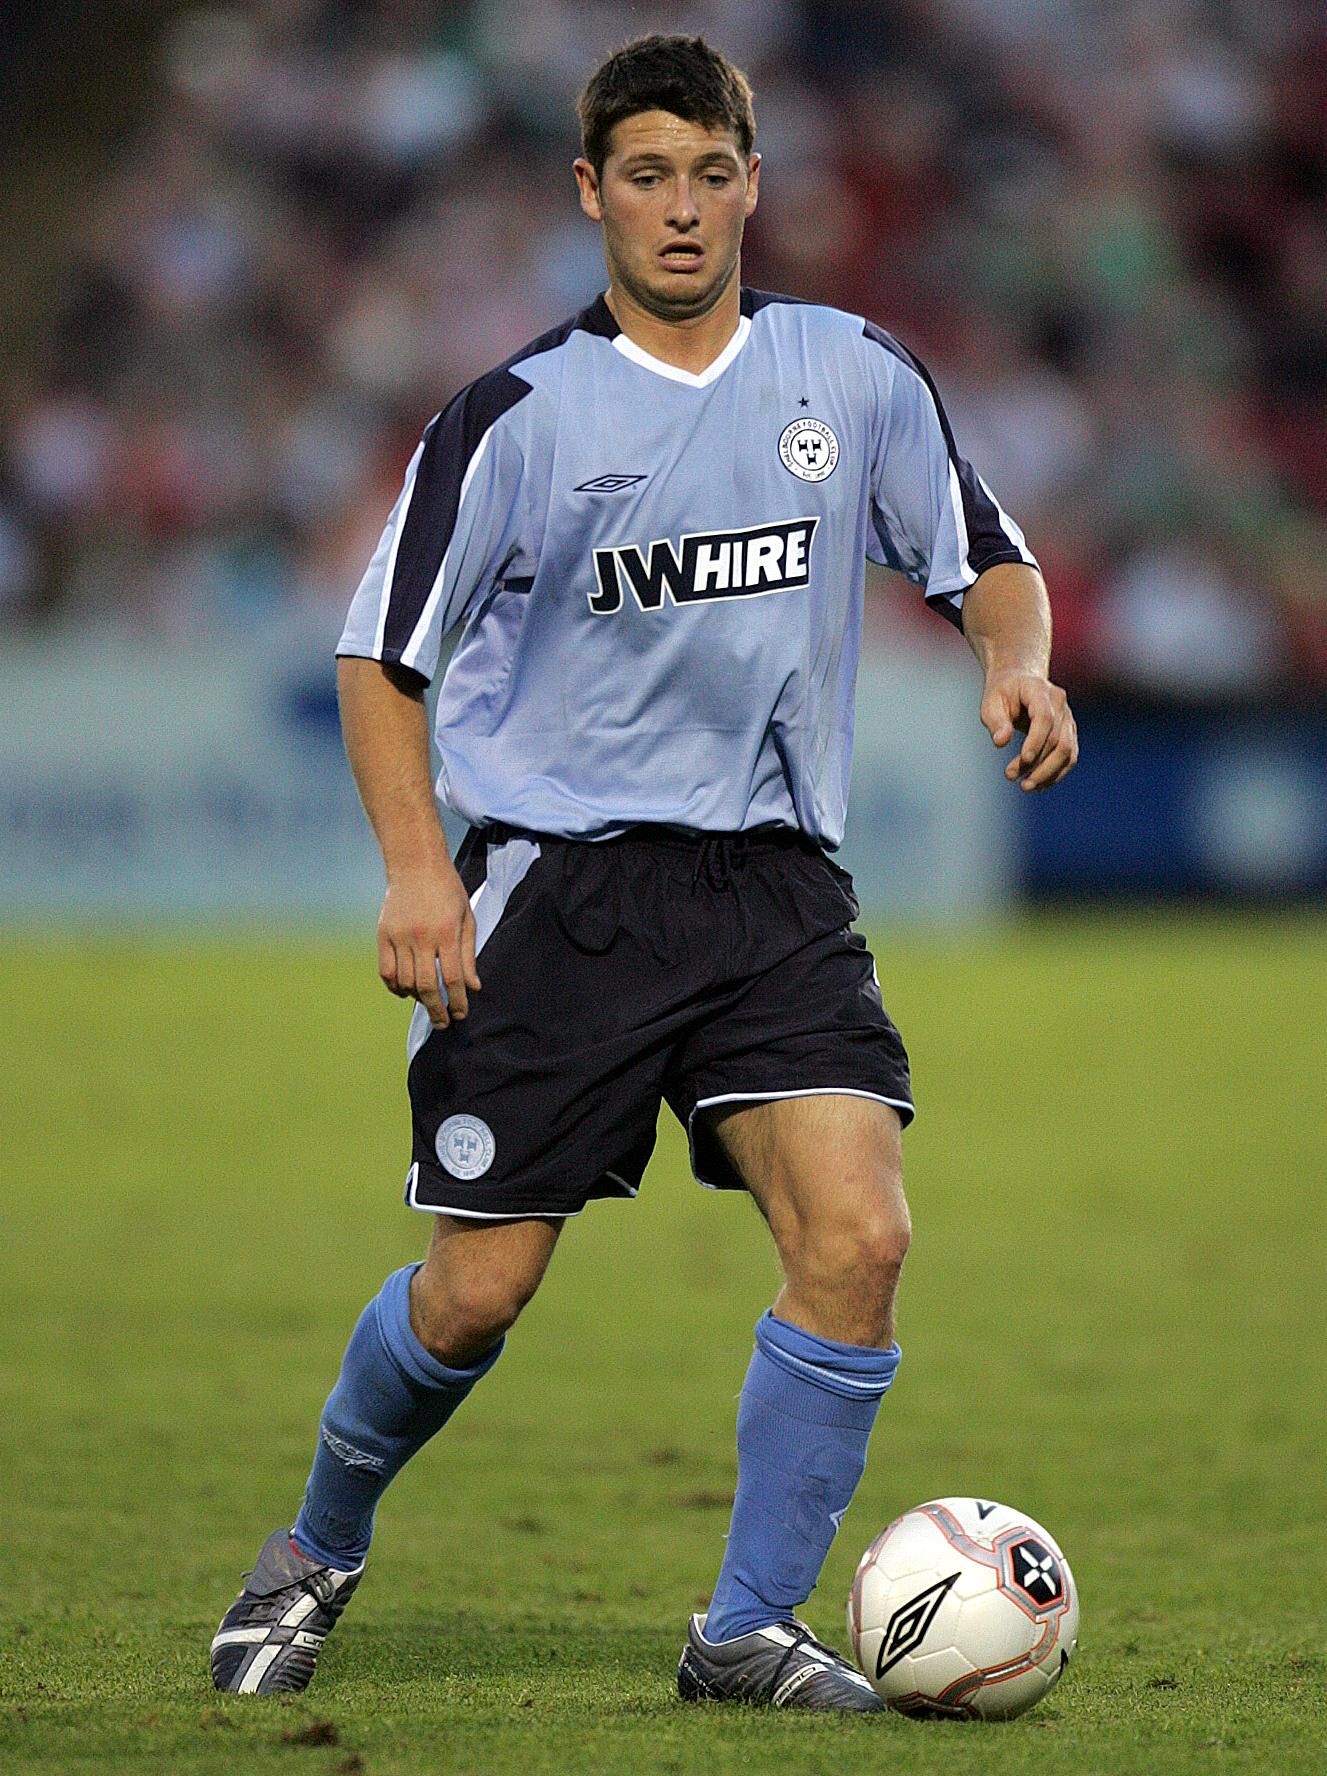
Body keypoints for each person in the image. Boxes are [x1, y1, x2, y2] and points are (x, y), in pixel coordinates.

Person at [211, 34, 1077, 1709]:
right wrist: (417, 876)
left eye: (712, 172)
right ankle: (319, 1543)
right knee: (476, 1295)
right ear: (590, 191)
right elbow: (382, 658)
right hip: (563, 892)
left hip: (771, 890)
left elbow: (987, 556)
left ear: (755, 183)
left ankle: (745, 1629)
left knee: (862, 1235)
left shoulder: (853, 374)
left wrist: (1011, 660)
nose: (683, 209)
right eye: (648, 174)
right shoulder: (518, 418)